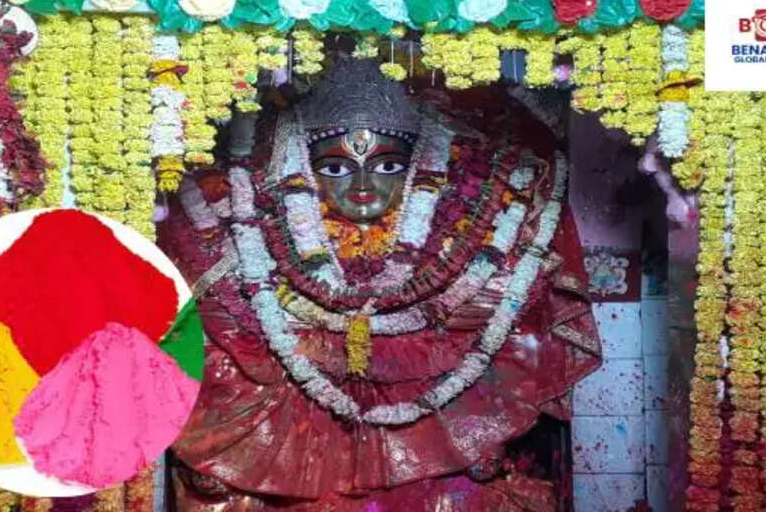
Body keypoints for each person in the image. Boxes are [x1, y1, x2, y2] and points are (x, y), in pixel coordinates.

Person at [156, 58, 602, 511]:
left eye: (387, 165)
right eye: (336, 168)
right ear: (302, 169)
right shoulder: (243, 230)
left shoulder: (475, 242)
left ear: (418, 169)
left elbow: (506, 328)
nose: (363, 186)